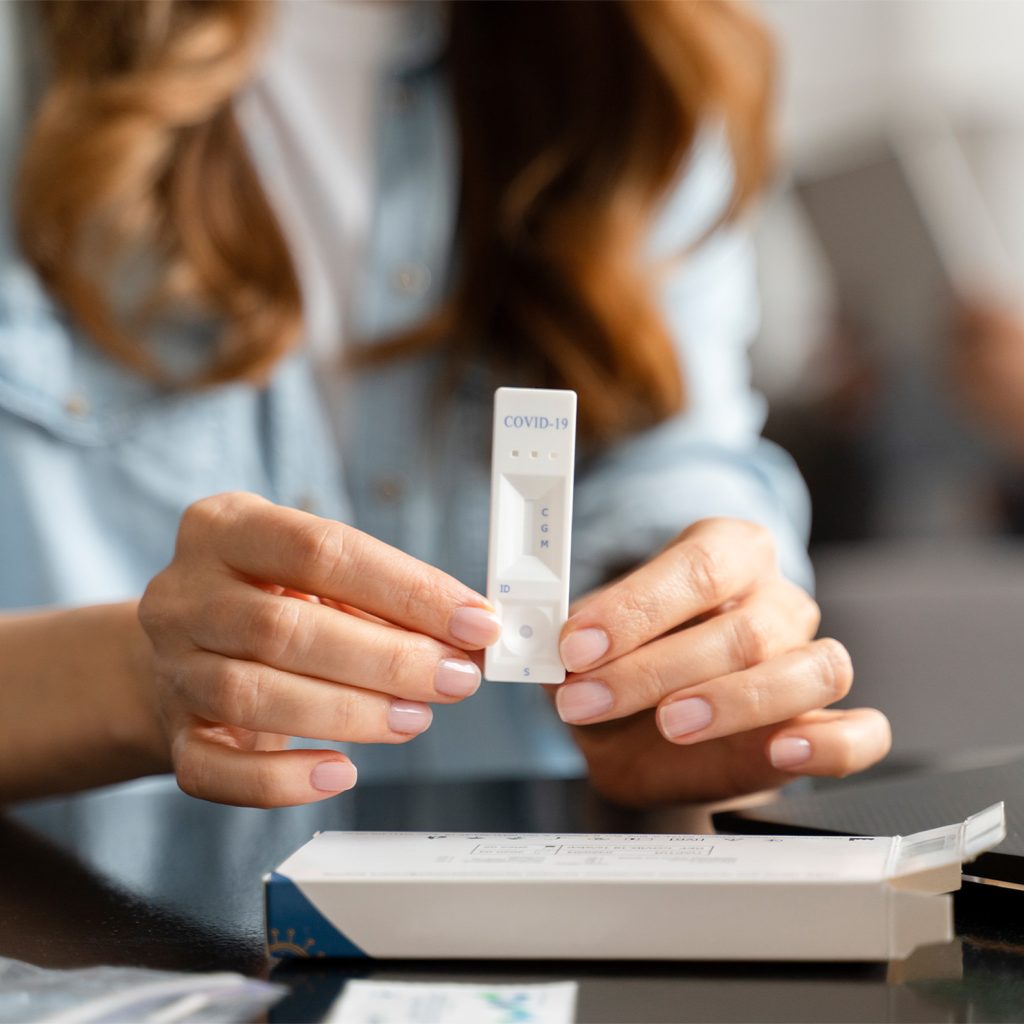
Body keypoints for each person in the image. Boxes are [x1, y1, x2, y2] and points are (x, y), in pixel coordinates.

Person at [0, 0, 890, 808]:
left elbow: (670, 451)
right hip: (99, 928)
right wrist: (132, 677)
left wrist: (695, 640)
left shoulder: (645, 58)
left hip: (543, 906)